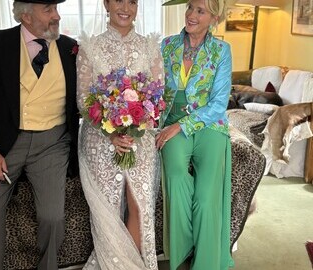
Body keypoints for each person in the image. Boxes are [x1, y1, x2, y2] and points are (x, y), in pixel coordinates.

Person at [0, 0, 79, 269]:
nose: (56, 15)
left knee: (53, 217)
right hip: (4, 144)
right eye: (48, 9)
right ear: (26, 16)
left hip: (53, 143)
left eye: (56, 9)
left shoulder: (69, 47)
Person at [76, 0, 164, 269]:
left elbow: (158, 97)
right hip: (99, 135)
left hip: (140, 134)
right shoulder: (89, 47)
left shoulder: (150, 46)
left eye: (132, 1)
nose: (125, 7)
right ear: (106, 3)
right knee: (109, 204)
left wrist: (135, 129)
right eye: (118, 0)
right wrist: (111, 134)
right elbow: (84, 100)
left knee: (138, 200)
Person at [156, 0, 234, 269]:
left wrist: (182, 126)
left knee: (206, 198)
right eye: (190, 7)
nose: (190, 15)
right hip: (171, 123)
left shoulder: (221, 50)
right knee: (176, 179)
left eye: (200, 11)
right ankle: (184, 251)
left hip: (209, 127)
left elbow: (219, 103)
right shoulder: (167, 46)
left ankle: (206, 263)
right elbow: (155, 90)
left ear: (214, 18)